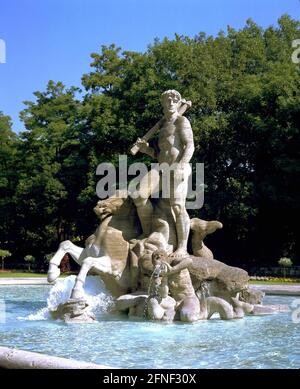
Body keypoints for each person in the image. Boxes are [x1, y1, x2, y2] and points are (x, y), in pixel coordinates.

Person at [132, 90, 194, 258]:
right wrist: (146, 150)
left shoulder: (182, 121)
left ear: (179, 103)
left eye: (175, 100)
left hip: (178, 166)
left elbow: (190, 146)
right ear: (163, 103)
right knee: (139, 195)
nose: (171, 102)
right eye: (168, 100)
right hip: (161, 168)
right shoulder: (162, 127)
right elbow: (160, 154)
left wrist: (182, 165)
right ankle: (147, 234)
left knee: (177, 206)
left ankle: (182, 247)